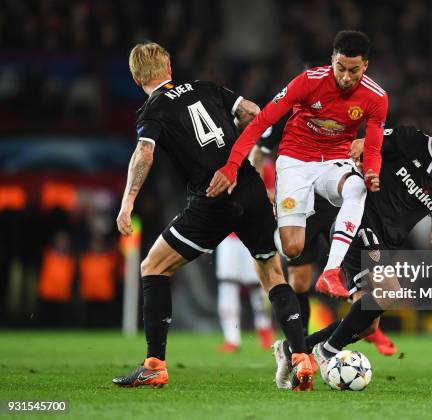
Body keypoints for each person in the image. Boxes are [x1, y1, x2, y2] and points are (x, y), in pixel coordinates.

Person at [112, 42, 315, 391]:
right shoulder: (207, 88)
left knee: (153, 267)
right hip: (249, 188)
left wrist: (127, 201)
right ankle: (300, 356)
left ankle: (154, 365)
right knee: (271, 272)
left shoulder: (153, 110)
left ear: (136, 77)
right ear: (169, 65)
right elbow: (252, 112)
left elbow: (144, 153)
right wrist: (239, 158)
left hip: (212, 198)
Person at [274, 107, 432, 383]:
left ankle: (295, 348)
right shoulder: (409, 139)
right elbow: (364, 144)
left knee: (367, 325)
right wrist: (361, 164)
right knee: (390, 289)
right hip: (360, 224)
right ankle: (327, 351)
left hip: (383, 244)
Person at [207, 30, 389, 300]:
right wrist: (232, 165)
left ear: (366, 65)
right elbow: (261, 122)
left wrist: (372, 172)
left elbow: (372, 148)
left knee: (357, 187)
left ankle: (330, 272)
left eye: (354, 70)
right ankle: (274, 218)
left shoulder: (376, 97)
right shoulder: (308, 81)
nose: (346, 77)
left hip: (334, 161)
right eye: (340, 68)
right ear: (332, 60)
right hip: (296, 160)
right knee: (292, 248)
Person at [257, 124, 396, 355]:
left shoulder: (347, 111)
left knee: (351, 270)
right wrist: (266, 189)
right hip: (304, 202)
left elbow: (373, 142)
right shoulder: (292, 118)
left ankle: (368, 324)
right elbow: (260, 151)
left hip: (337, 199)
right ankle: (300, 343)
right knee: (300, 279)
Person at [215, 233, 275, 353]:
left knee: (258, 284)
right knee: (227, 285)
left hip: (252, 233)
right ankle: (231, 339)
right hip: (227, 235)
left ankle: (265, 329)